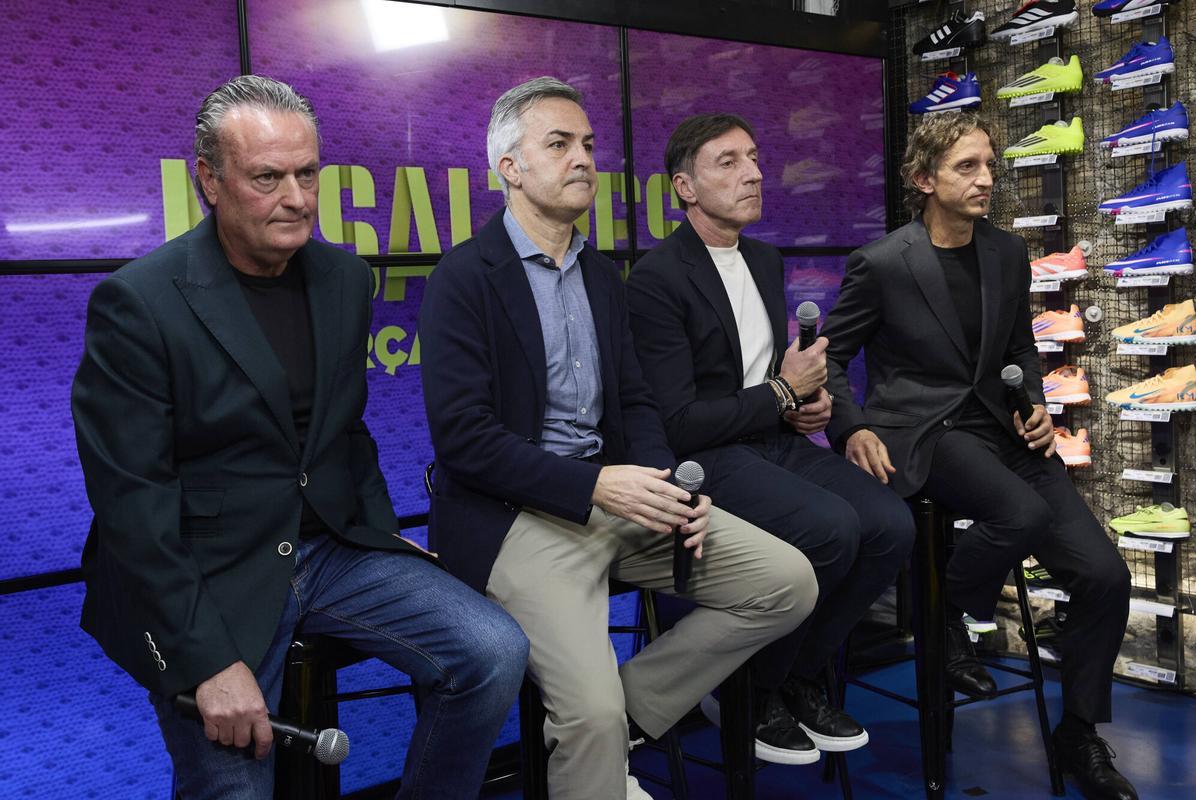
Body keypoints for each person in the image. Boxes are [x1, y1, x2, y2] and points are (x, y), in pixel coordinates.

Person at [72, 75, 528, 800]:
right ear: (209, 181)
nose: (296, 198)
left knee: (493, 651)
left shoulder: (343, 276)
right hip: (203, 570)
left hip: (329, 548)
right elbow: (133, 503)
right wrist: (205, 661)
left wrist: (378, 533)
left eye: (308, 173)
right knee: (237, 791)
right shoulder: (139, 302)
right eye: (267, 177)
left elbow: (346, 432)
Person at [420, 77, 819, 800]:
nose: (583, 159)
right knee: (590, 715)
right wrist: (596, 484)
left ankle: (621, 717)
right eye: (559, 144)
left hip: (621, 499)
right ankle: (598, 733)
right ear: (510, 167)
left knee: (786, 582)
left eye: (589, 146)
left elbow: (637, 402)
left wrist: (669, 481)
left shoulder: (604, 275)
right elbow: (464, 439)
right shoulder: (463, 277)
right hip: (518, 518)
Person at [821, 111, 1136, 800]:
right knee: (1018, 513)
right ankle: (942, 622)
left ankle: (1078, 731)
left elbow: (1019, 346)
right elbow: (831, 360)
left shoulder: (1005, 252)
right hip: (925, 435)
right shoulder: (880, 263)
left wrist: (1040, 405)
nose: (986, 178)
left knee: (1107, 577)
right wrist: (850, 429)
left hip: (1003, 431)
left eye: (989, 165)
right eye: (968, 167)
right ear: (923, 178)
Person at [626, 113, 915, 763]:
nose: (753, 173)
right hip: (705, 460)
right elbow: (675, 424)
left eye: (754, 157)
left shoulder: (762, 257)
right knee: (833, 528)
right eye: (728, 162)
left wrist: (804, 408)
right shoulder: (656, 278)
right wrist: (782, 395)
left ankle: (798, 675)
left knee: (891, 525)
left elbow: (770, 382)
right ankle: (747, 691)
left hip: (772, 442)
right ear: (685, 187)